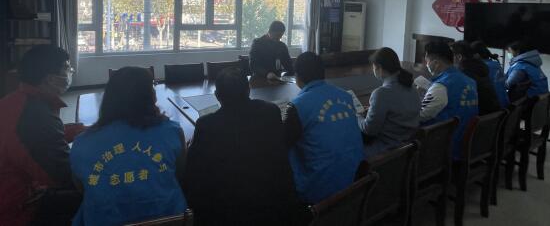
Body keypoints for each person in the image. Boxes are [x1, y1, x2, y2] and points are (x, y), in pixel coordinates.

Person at [70, 67, 187, 226]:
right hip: (170, 219)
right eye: (152, 86)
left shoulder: (82, 143)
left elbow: (83, 187)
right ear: (151, 96)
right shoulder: (172, 132)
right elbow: (179, 175)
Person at [184, 68, 296, 226]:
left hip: (224, 212)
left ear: (217, 96)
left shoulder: (206, 125)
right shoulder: (271, 112)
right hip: (271, 206)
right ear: (248, 89)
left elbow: (194, 173)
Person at [0, 45, 82, 226]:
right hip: (17, 211)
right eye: (67, 68)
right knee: (98, 191)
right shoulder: (36, 116)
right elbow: (63, 175)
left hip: (20, 193)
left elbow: (43, 137)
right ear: (50, 79)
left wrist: (82, 131)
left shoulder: (17, 102)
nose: (71, 72)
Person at [284, 52, 364, 204]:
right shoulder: (346, 96)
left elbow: (283, 143)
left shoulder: (297, 105)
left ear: (297, 76)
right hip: (356, 179)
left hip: (320, 188)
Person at [420, 42, 478, 159]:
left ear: (436, 63)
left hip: (444, 147)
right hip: (465, 143)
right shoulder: (470, 81)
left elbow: (420, 115)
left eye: (427, 61)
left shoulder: (441, 86)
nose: (426, 65)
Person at [360, 47, 421, 158]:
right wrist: (372, 110)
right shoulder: (413, 88)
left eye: (373, 67)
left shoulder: (381, 93)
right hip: (406, 150)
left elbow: (369, 130)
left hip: (384, 152)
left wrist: (356, 116)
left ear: (379, 67)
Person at [450, 41, 500, 115]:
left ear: (459, 57)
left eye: (449, 56)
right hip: (492, 116)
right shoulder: (478, 67)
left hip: (480, 117)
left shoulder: (465, 74)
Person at [471, 41, 509, 108]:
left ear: (477, 55)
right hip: (505, 102)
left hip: (495, 106)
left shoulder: (481, 68)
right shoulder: (496, 64)